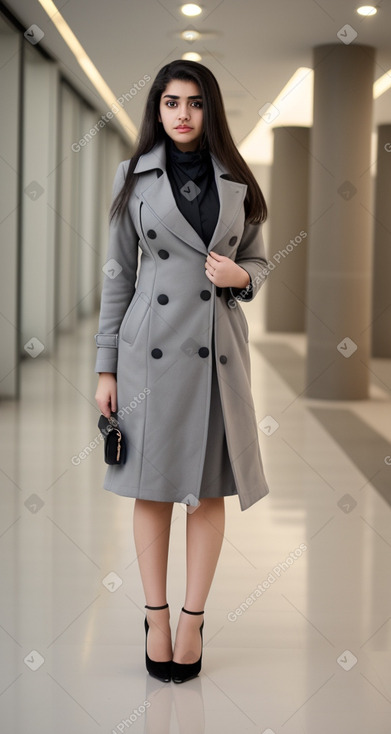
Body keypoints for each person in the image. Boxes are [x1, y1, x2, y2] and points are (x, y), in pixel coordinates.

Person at [94, 59, 270, 684]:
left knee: (208, 486)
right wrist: (106, 366)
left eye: (194, 103)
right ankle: (156, 616)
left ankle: (193, 619)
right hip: (149, 353)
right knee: (151, 486)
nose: (182, 114)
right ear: (158, 109)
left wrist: (241, 276)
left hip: (217, 352)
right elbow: (117, 278)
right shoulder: (132, 177)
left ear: (210, 109)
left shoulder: (237, 179)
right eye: (171, 103)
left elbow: (259, 262)